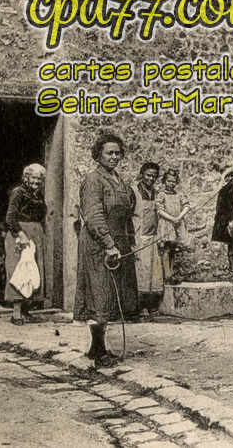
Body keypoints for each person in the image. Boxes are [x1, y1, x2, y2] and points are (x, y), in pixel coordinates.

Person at [74, 133, 139, 366]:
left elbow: (126, 214)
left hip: (117, 244)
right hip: (98, 245)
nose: (114, 157)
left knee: (111, 294)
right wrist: (109, 245)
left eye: (117, 153)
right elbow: (93, 215)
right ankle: (98, 351)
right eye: (109, 153)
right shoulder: (93, 179)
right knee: (99, 293)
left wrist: (128, 242)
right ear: (98, 154)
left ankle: (97, 348)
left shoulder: (119, 180)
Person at [4, 163, 47, 325]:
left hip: (35, 234)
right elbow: (10, 217)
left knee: (33, 271)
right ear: (26, 178)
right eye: (33, 177)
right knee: (19, 270)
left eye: (40, 178)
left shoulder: (38, 195)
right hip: (20, 233)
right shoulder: (18, 192)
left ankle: (26, 310)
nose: (37, 181)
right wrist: (21, 235)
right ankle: (16, 313)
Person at [131, 161, 163, 320]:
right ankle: (139, 307)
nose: (151, 179)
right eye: (148, 175)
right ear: (142, 174)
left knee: (154, 275)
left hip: (152, 238)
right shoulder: (134, 192)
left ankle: (152, 306)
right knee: (141, 275)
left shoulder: (156, 193)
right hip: (139, 239)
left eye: (154, 176)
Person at [156, 169, 190, 282]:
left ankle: (172, 272)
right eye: (169, 181)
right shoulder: (161, 194)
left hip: (178, 224)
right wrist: (172, 219)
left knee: (173, 249)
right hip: (167, 224)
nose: (171, 184)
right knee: (166, 249)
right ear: (164, 181)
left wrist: (179, 217)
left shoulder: (179, 194)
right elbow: (159, 210)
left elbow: (186, 206)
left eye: (173, 181)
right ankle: (167, 275)